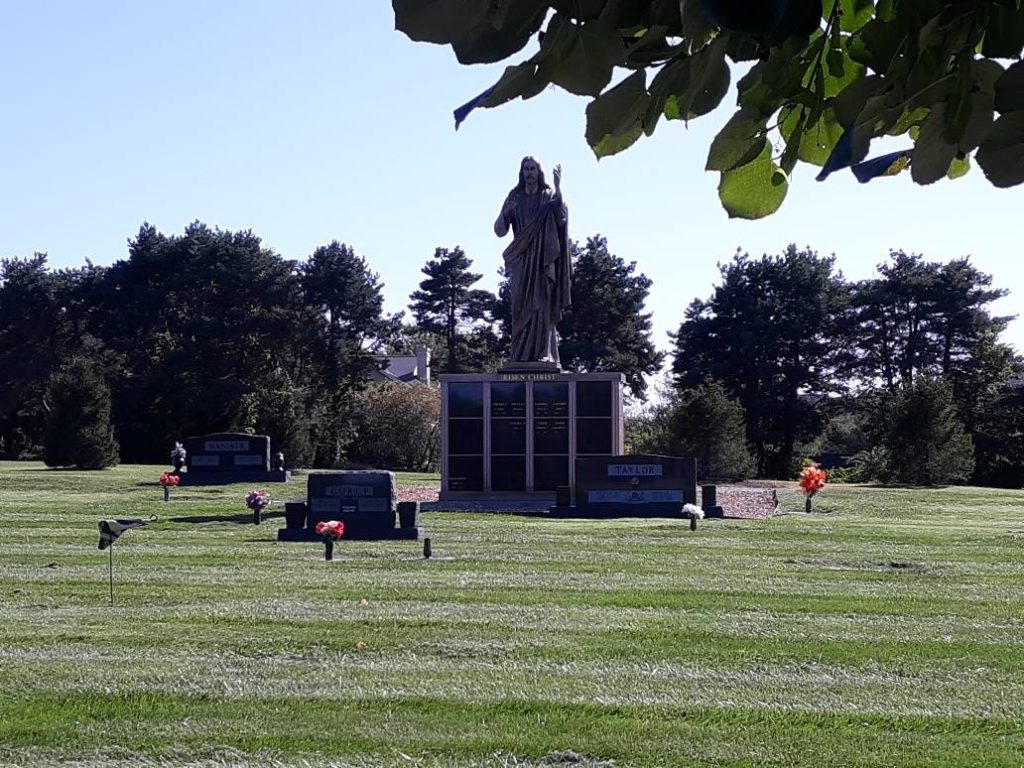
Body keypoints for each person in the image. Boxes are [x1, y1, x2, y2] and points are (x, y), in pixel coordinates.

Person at [494, 156, 571, 364]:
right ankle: (519, 355)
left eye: (533, 169)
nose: (529, 173)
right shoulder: (514, 197)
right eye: (526, 169)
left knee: (541, 304)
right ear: (521, 172)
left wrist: (558, 188)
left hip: (543, 259)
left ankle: (543, 353)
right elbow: (499, 231)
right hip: (521, 259)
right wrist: (506, 212)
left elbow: (562, 217)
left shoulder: (548, 195)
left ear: (539, 172)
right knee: (519, 305)